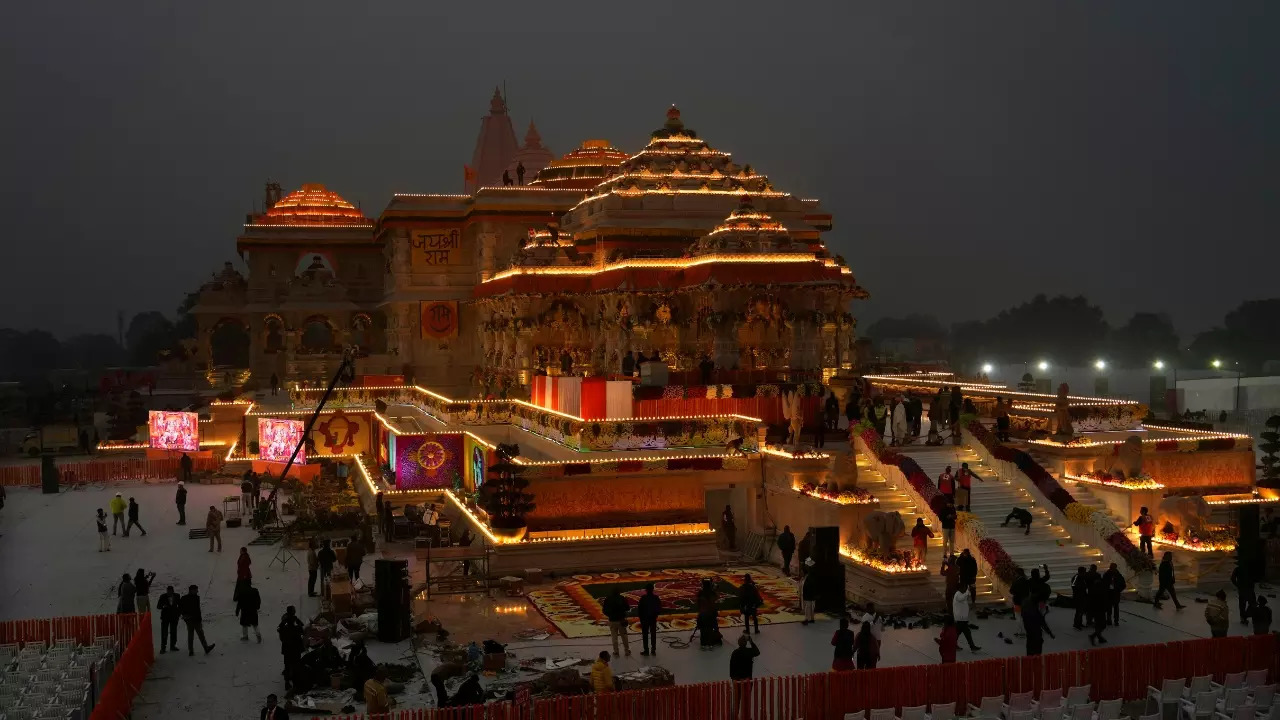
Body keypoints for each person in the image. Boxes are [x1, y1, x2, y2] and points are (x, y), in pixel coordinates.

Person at [730, 633, 760, 718]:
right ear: (746, 643)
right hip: (747, 680)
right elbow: (757, 652)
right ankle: (746, 716)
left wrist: (733, 680)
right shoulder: (749, 652)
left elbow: (731, 668)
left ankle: (735, 716)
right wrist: (751, 641)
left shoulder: (735, 653)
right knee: (746, 700)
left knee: (737, 700)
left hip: (737, 680)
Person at [180, 584, 216, 656]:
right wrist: (185, 616)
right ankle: (194, 650)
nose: (197, 591)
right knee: (193, 635)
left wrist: (199, 619)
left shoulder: (196, 597)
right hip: (191, 619)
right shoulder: (185, 598)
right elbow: (181, 608)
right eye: (196, 590)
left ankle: (199, 649)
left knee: (198, 634)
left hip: (195, 619)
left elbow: (197, 610)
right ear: (191, 590)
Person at [277, 606, 305, 688]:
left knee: (287, 664)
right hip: (295, 647)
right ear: (293, 612)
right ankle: (296, 681)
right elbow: (301, 629)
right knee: (296, 663)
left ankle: (287, 682)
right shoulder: (295, 621)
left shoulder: (284, 620)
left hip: (286, 647)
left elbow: (279, 629)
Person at [601, 587, 632, 657]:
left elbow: (604, 610)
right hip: (621, 620)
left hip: (612, 620)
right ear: (619, 592)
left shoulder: (608, 599)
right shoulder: (622, 598)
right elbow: (628, 608)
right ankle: (627, 651)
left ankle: (616, 652)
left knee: (614, 637)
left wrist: (610, 615)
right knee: (624, 636)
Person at [952, 581, 980, 651]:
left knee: (964, 633)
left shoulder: (960, 594)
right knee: (962, 633)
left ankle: (971, 646)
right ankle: (971, 646)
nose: (965, 589)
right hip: (960, 619)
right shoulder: (958, 594)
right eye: (964, 587)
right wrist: (968, 590)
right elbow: (962, 598)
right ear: (960, 588)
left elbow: (965, 597)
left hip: (962, 619)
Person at [637, 583, 662, 656]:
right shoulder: (656, 598)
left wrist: (641, 618)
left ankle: (646, 650)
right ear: (652, 589)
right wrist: (655, 616)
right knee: (653, 634)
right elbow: (659, 609)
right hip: (652, 619)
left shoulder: (643, 598)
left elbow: (639, 610)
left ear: (646, 590)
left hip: (644, 619)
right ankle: (653, 650)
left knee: (645, 635)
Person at [697, 578, 722, 648]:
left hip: (703, 614)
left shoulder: (700, 593)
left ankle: (703, 644)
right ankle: (710, 644)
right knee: (710, 629)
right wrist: (716, 590)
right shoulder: (712, 593)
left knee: (703, 629)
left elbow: (698, 603)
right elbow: (717, 597)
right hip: (711, 614)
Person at [237, 578, 263, 642]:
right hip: (253, 610)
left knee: (244, 625)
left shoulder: (242, 592)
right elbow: (258, 600)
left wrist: (237, 610)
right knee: (255, 624)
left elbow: (239, 602)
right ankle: (258, 636)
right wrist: (257, 607)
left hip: (245, 611)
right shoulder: (255, 591)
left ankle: (245, 636)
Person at [157, 585, 181, 653]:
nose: (169, 592)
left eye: (170, 591)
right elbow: (158, 606)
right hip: (165, 617)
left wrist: (178, 614)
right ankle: (163, 648)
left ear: (173, 591)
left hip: (174, 617)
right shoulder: (163, 596)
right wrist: (163, 606)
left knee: (173, 632)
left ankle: (172, 646)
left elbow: (180, 606)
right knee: (164, 633)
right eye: (168, 591)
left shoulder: (177, 596)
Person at [1088, 575, 1110, 645]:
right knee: (1102, 625)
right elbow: (1104, 599)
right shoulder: (1100, 588)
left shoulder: (1093, 588)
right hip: (1099, 609)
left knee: (1098, 624)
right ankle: (1094, 636)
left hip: (1095, 609)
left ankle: (1099, 637)